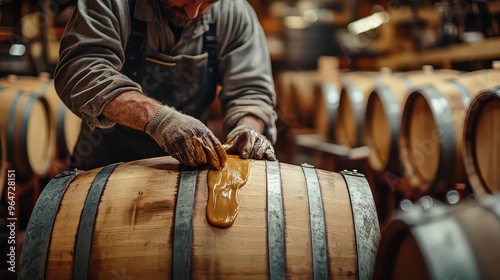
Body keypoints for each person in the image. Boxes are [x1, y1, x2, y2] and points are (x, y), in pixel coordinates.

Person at [54, 0, 278, 171]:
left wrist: (247, 128)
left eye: (208, 2)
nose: (193, 12)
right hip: (105, 170)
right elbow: (80, 70)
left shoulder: (234, 12)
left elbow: (252, 90)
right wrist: (160, 121)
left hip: (184, 174)